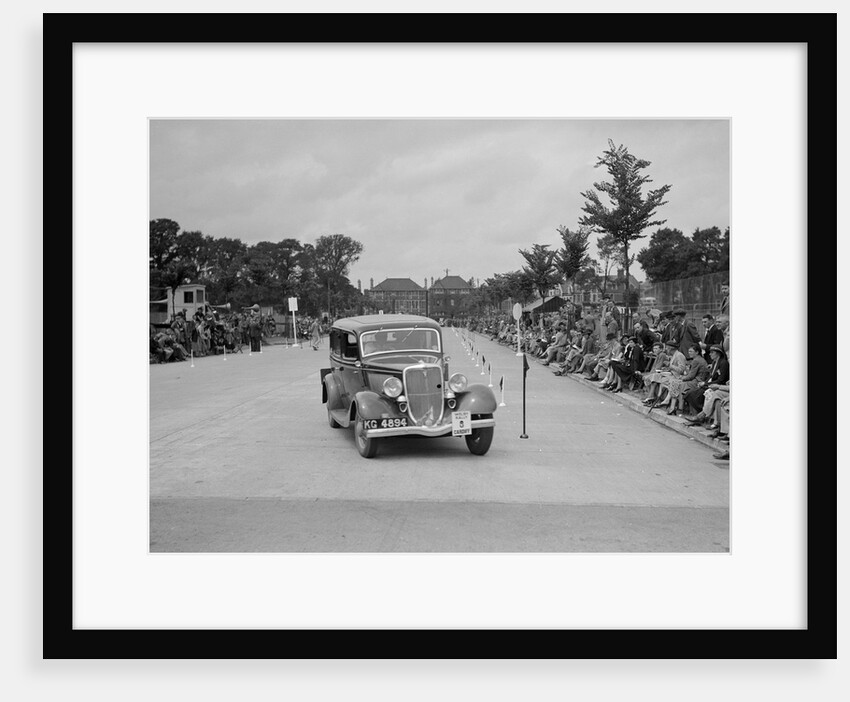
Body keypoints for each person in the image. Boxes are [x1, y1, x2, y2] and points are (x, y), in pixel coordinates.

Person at [684, 345, 731, 425]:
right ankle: (698, 415)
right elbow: (711, 376)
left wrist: (706, 384)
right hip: (710, 384)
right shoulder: (714, 362)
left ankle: (701, 417)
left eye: (712, 353)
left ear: (718, 354)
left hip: (717, 385)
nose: (710, 354)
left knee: (702, 393)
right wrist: (704, 383)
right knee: (689, 393)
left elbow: (721, 380)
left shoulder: (723, 363)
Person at [667, 343, 710, 416]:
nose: (689, 353)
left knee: (678, 384)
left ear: (697, 352)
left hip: (697, 381)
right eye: (689, 351)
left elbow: (691, 376)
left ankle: (679, 408)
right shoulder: (699, 359)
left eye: (691, 351)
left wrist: (682, 378)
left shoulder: (696, 361)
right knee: (676, 383)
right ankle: (673, 407)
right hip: (697, 380)